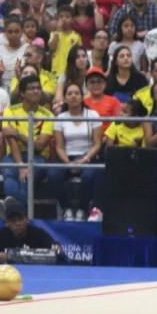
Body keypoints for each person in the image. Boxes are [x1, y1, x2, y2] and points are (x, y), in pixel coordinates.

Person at [51, 83, 104, 222]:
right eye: (69, 93)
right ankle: (66, 208)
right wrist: (68, 163)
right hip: (67, 157)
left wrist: (85, 159)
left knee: (89, 176)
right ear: (65, 99)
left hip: (89, 156)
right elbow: (59, 147)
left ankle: (83, 208)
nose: (73, 96)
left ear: (82, 97)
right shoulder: (60, 118)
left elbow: (98, 143)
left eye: (76, 93)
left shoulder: (93, 115)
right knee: (53, 175)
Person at [1, 74, 55, 206]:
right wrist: (20, 165)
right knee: (9, 175)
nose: (36, 91)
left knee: (26, 178)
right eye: (31, 88)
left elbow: (39, 146)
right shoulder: (10, 111)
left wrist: (18, 134)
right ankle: (20, 215)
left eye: (38, 88)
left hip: (38, 157)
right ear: (22, 93)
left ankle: (13, 212)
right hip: (14, 155)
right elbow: (11, 141)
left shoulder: (48, 115)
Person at [0, 199, 57, 264]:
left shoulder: (39, 234)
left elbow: (56, 250)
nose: (17, 223)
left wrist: (57, 249)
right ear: (7, 223)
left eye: (20, 219)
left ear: (27, 220)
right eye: (13, 221)